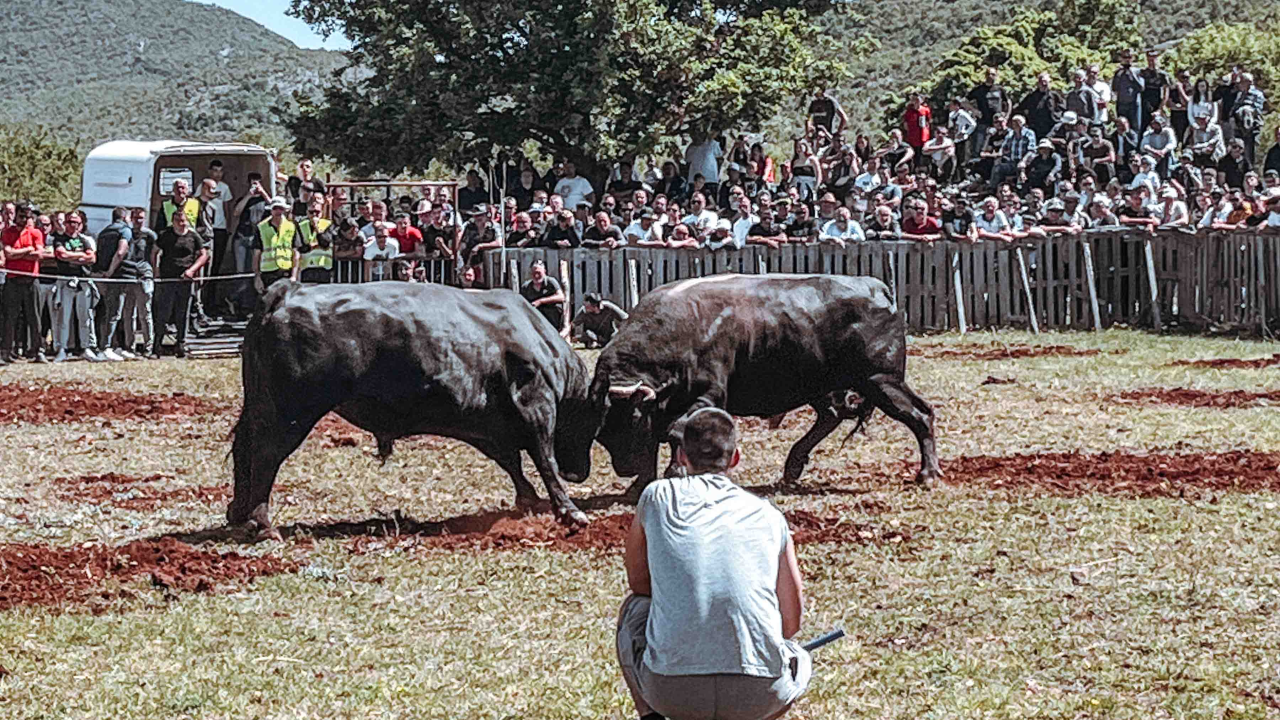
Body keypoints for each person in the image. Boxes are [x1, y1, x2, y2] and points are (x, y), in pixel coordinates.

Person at [617, 408, 809, 720]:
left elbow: (639, 584)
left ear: (681, 456)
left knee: (633, 609)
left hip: (671, 692)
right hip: (760, 694)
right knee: (800, 658)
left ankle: (650, 715)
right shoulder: (770, 515)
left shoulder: (657, 496)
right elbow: (791, 624)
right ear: (736, 458)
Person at [150, 208, 207, 358]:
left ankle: (181, 344)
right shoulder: (165, 235)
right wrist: (156, 270)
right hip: (167, 279)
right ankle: (157, 346)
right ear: (173, 222)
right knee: (164, 312)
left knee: (183, 312)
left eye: (183, 221)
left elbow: (203, 255)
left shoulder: (193, 236)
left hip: (185, 280)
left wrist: (192, 270)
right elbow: (154, 251)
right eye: (177, 221)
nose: (181, 224)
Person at [51, 213, 101, 362]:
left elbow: (92, 258)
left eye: (77, 223)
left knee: (85, 317)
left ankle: (86, 348)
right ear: (65, 223)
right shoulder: (59, 239)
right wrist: (80, 256)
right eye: (71, 222)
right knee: (64, 317)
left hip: (83, 282)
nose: (74, 225)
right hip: (65, 281)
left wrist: (72, 257)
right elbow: (61, 255)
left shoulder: (84, 240)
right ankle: (62, 349)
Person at [0, 202, 46, 364]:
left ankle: (38, 350)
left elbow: (39, 255)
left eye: (28, 217)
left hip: (31, 279)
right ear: (16, 216)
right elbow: (9, 254)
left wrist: (18, 253)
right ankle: (6, 351)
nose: (25, 220)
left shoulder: (36, 232)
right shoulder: (7, 232)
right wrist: (27, 250)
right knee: (10, 317)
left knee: (35, 317)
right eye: (21, 216)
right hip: (13, 280)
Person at [91, 207, 136, 360]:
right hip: (118, 276)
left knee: (108, 311)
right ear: (124, 218)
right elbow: (121, 252)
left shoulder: (103, 232)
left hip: (102, 276)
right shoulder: (125, 231)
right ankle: (106, 347)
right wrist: (110, 271)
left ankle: (117, 346)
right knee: (115, 313)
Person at [253, 197, 302, 297]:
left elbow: (295, 253)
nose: (278, 211)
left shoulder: (291, 227)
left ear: (285, 210)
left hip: (286, 272)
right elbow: (257, 254)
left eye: (281, 208)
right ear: (271, 210)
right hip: (268, 274)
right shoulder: (261, 227)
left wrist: (294, 276)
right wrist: (257, 277)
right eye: (275, 208)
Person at [125, 208, 157, 355]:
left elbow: (155, 254)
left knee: (145, 313)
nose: (139, 221)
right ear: (131, 219)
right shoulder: (126, 233)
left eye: (141, 218)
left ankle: (148, 346)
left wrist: (153, 272)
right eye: (136, 218)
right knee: (128, 313)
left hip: (144, 276)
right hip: (128, 276)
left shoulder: (150, 235)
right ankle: (129, 346)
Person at [967, 67, 1012, 166]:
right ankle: (977, 169)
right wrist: (974, 110)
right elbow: (964, 101)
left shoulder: (1000, 89)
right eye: (989, 74)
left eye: (993, 74)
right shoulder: (979, 90)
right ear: (985, 75)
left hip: (998, 123)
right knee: (979, 148)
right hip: (983, 122)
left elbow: (1008, 102)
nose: (991, 76)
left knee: (1000, 146)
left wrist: (1006, 117)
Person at [200, 160, 235, 274]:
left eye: (220, 171)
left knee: (218, 257)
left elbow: (227, 208)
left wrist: (228, 226)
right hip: (206, 228)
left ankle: (213, 282)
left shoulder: (225, 187)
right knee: (206, 255)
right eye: (215, 170)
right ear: (209, 171)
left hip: (220, 227)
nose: (218, 174)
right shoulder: (202, 186)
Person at [520, 259, 566, 334]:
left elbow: (561, 297)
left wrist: (541, 301)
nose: (536, 275)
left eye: (538, 273)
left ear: (544, 271)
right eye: (534, 273)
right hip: (535, 319)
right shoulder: (526, 287)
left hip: (552, 319)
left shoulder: (551, 282)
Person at [297, 200, 335, 283]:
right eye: (311, 212)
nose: (314, 215)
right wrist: (311, 246)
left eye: (317, 212)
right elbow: (300, 247)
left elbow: (325, 243)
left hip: (323, 267)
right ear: (307, 212)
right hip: (306, 268)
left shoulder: (328, 224)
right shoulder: (301, 225)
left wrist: (317, 228)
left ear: (321, 212)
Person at [1111, 49, 1145, 133]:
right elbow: (1114, 88)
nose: (1127, 59)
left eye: (1129, 57)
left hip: (1134, 104)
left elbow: (1141, 87)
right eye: (1125, 57)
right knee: (1121, 126)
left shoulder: (1138, 71)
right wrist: (1119, 75)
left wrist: (1132, 74)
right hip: (1122, 103)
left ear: (1132, 58)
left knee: (1135, 127)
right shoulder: (1118, 72)